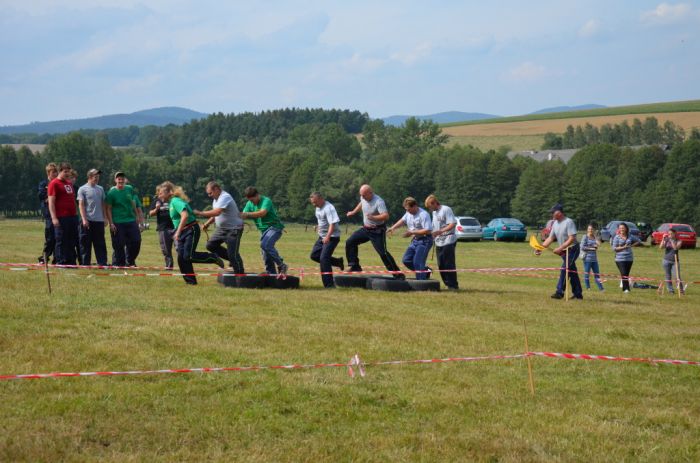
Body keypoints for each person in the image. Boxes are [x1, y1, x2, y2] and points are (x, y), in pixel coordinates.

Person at [159, 181, 223, 285]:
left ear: (169, 192)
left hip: (190, 230)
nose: (159, 195)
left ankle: (213, 257)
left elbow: (185, 216)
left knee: (189, 256)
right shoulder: (172, 203)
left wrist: (177, 232)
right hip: (183, 232)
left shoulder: (175, 201)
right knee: (181, 259)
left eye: (161, 193)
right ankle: (191, 283)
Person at [345, 184, 404, 279]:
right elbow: (361, 203)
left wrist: (373, 217)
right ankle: (355, 265)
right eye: (361, 195)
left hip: (377, 231)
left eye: (364, 195)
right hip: (366, 229)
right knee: (350, 242)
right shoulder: (363, 197)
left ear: (370, 193)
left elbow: (386, 216)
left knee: (383, 253)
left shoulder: (379, 201)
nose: (362, 197)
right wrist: (353, 212)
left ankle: (398, 274)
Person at [194, 181, 245, 275]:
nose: (209, 195)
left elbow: (217, 212)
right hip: (222, 229)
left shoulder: (225, 197)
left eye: (210, 193)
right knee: (210, 245)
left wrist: (200, 213)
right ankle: (234, 259)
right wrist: (207, 224)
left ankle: (240, 275)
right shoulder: (216, 199)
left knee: (232, 254)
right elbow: (215, 215)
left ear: (216, 189)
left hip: (234, 229)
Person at [538, 203, 583, 300]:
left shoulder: (569, 222)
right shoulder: (555, 224)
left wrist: (560, 248)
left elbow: (571, 238)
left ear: (559, 212)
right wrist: (540, 248)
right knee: (572, 272)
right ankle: (578, 294)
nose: (551, 214)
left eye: (553, 212)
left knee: (564, 269)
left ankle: (559, 292)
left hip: (573, 249)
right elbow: (550, 238)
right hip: (563, 251)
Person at [240, 186, 288, 277]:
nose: (251, 202)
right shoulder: (249, 203)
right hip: (263, 231)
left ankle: (282, 265)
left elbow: (262, 213)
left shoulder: (266, 201)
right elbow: (244, 215)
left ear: (257, 195)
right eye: (249, 200)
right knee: (265, 252)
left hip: (274, 227)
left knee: (265, 245)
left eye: (252, 200)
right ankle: (271, 274)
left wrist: (247, 214)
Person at [388, 197, 433, 280]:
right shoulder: (408, 213)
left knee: (418, 262)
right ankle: (425, 271)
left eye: (409, 209)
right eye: (406, 210)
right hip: (416, 240)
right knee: (406, 260)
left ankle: (421, 283)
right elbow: (402, 220)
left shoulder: (423, 214)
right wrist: (393, 228)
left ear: (415, 206)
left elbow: (428, 230)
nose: (408, 211)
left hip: (425, 240)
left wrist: (412, 233)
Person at [104, 171, 143, 267]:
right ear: (115, 180)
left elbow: (133, 202)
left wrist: (137, 216)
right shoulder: (111, 193)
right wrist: (111, 223)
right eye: (118, 178)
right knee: (119, 245)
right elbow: (108, 208)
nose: (120, 180)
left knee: (136, 241)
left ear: (125, 180)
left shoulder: (129, 189)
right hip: (117, 222)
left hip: (130, 220)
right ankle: (119, 264)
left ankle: (130, 261)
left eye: (122, 178)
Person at [309, 192, 344, 288]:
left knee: (324, 258)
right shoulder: (318, 207)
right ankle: (337, 262)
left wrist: (328, 237)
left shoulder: (329, 208)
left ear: (321, 199)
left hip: (332, 237)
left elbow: (332, 224)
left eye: (315, 202)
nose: (314, 205)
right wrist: (318, 227)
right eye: (312, 203)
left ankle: (329, 285)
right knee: (314, 255)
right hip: (322, 236)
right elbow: (322, 221)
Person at [47, 162, 79, 266]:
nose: (67, 174)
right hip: (61, 217)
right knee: (61, 240)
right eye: (65, 171)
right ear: (60, 171)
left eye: (69, 172)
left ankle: (71, 262)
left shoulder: (69, 183)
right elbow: (51, 202)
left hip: (72, 217)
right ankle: (61, 262)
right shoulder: (54, 183)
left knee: (71, 240)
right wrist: (54, 218)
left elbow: (72, 200)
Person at [425, 194, 459, 290]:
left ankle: (453, 285)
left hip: (449, 240)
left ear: (434, 203)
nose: (430, 209)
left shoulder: (446, 209)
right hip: (439, 241)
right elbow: (433, 226)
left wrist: (441, 231)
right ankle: (447, 284)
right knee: (441, 264)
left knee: (449, 264)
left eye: (430, 207)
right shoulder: (434, 213)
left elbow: (452, 224)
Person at [77, 168, 108, 266]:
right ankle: (85, 264)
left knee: (100, 244)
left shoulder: (101, 189)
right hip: (88, 221)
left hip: (99, 221)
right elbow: (81, 205)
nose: (97, 178)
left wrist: (105, 217)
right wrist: (84, 219)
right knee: (86, 244)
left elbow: (103, 204)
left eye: (98, 176)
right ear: (90, 177)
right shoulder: (82, 189)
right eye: (95, 176)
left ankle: (102, 263)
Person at [148, 185, 175, 269]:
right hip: (163, 229)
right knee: (166, 249)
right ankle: (169, 264)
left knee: (179, 247)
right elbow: (151, 213)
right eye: (159, 194)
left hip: (175, 227)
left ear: (167, 193)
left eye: (161, 193)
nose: (159, 195)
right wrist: (157, 209)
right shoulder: (157, 201)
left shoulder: (173, 201)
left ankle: (183, 264)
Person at [611, 222, 641, 293]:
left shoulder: (630, 236)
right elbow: (614, 248)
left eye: (623, 228)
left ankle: (625, 288)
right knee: (624, 273)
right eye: (620, 228)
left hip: (629, 258)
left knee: (626, 274)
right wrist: (623, 247)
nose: (622, 229)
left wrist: (632, 245)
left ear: (626, 229)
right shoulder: (616, 237)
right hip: (620, 259)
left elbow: (639, 241)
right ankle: (626, 289)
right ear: (619, 229)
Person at [38, 163, 58, 264]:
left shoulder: (59, 183)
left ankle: (56, 259)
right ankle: (44, 258)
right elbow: (41, 196)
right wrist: (50, 198)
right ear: (48, 173)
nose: (55, 174)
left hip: (59, 213)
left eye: (56, 172)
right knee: (50, 236)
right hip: (49, 214)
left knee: (58, 237)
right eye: (53, 172)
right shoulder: (43, 184)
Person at [659, 227, 685, 294]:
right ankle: (670, 290)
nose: (669, 235)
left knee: (677, 276)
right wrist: (663, 239)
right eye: (669, 234)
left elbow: (675, 248)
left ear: (674, 234)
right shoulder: (667, 240)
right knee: (668, 276)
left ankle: (681, 290)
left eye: (671, 234)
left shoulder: (679, 241)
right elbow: (661, 247)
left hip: (675, 261)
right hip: (666, 260)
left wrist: (671, 241)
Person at [581, 224, 604, 291]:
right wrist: (591, 248)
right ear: (587, 230)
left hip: (594, 259)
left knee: (597, 274)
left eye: (592, 229)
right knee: (587, 274)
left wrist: (597, 240)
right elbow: (582, 247)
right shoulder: (585, 237)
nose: (590, 230)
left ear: (593, 230)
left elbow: (599, 244)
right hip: (587, 259)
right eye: (589, 229)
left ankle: (601, 288)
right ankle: (588, 288)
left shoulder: (594, 237)